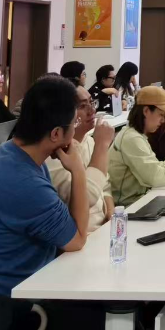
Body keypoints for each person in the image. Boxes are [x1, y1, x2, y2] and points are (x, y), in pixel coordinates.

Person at [0, 76, 90, 330]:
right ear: (56, 134)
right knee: (102, 320)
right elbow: (77, 240)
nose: (76, 130)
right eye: (74, 124)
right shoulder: (23, 180)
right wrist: (78, 170)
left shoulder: (9, 153)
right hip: (1, 301)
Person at [107, 87, 165, 207]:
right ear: (146, 111)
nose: (163, 120)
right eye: (161, 115)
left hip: (140, 200)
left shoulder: (137, 135)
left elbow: (156, 166)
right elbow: (155, 177)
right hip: (128, 207)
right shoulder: (131, 138)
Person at [46, 85, 115, 231]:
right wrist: (102, 146)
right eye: (82, 106)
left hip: (103, 227)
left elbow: (105, 185)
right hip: (83, 234)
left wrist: (110, 211)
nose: (92, 111)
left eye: (91, 102)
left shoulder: (90, 141)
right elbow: (86, 197)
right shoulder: (54, 154)